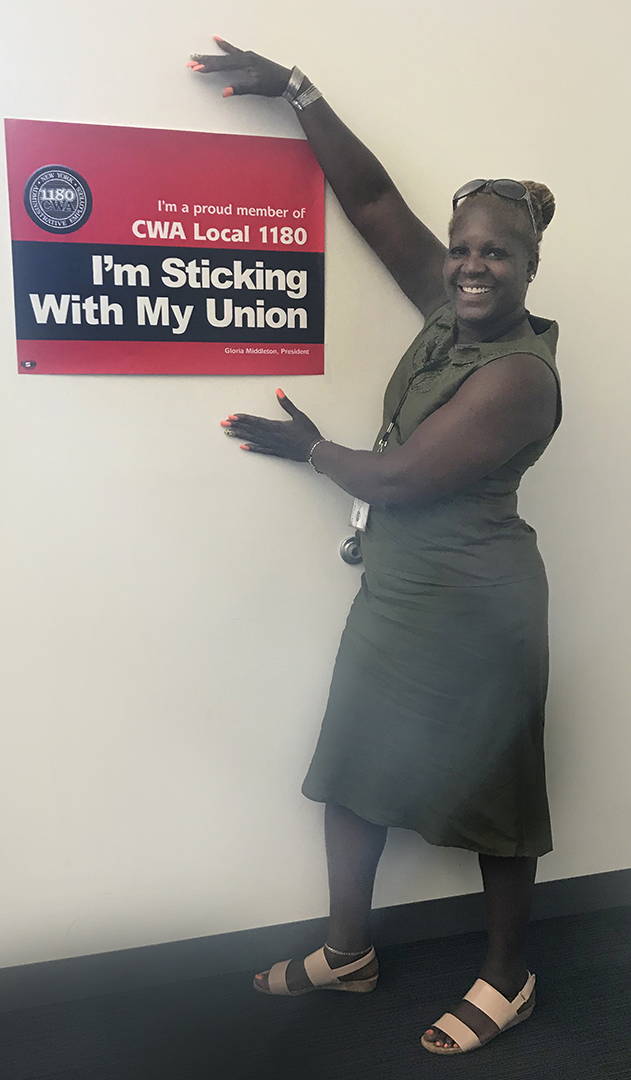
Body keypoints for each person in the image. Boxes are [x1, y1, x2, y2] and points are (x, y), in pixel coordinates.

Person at [188, 39, 561, 1056]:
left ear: (530, 268)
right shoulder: (448, 312)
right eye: (464, 249)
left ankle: (509, 978)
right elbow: (375, 203)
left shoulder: (520, 376)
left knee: (495, 797)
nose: (473, 265)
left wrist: (314, 451)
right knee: (352, 768)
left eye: (498, 255)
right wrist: (299, 92)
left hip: (480, 608)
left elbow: (398, 479)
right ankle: (348, 951)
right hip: (399, 593)